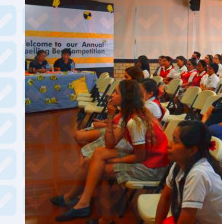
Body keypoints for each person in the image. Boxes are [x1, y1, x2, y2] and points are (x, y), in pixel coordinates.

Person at [53, 80, 169, 222]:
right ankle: (83, 203)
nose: (112, 95)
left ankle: (100, 215)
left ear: (125, 98)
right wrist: (109, 116)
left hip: (153, 167)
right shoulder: (128, 115)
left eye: (116, 93)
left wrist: (116, 160)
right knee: (99, 154)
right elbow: (110, 144)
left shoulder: (135, 121)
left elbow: (140, 156)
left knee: (103, 169)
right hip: (146, 157)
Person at [155, 120, 222, 224]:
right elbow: (166, 197)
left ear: (192, 150)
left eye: (175, 141)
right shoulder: (179, 164)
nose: (169, 145)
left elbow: (186, 219)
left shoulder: (198, 174)